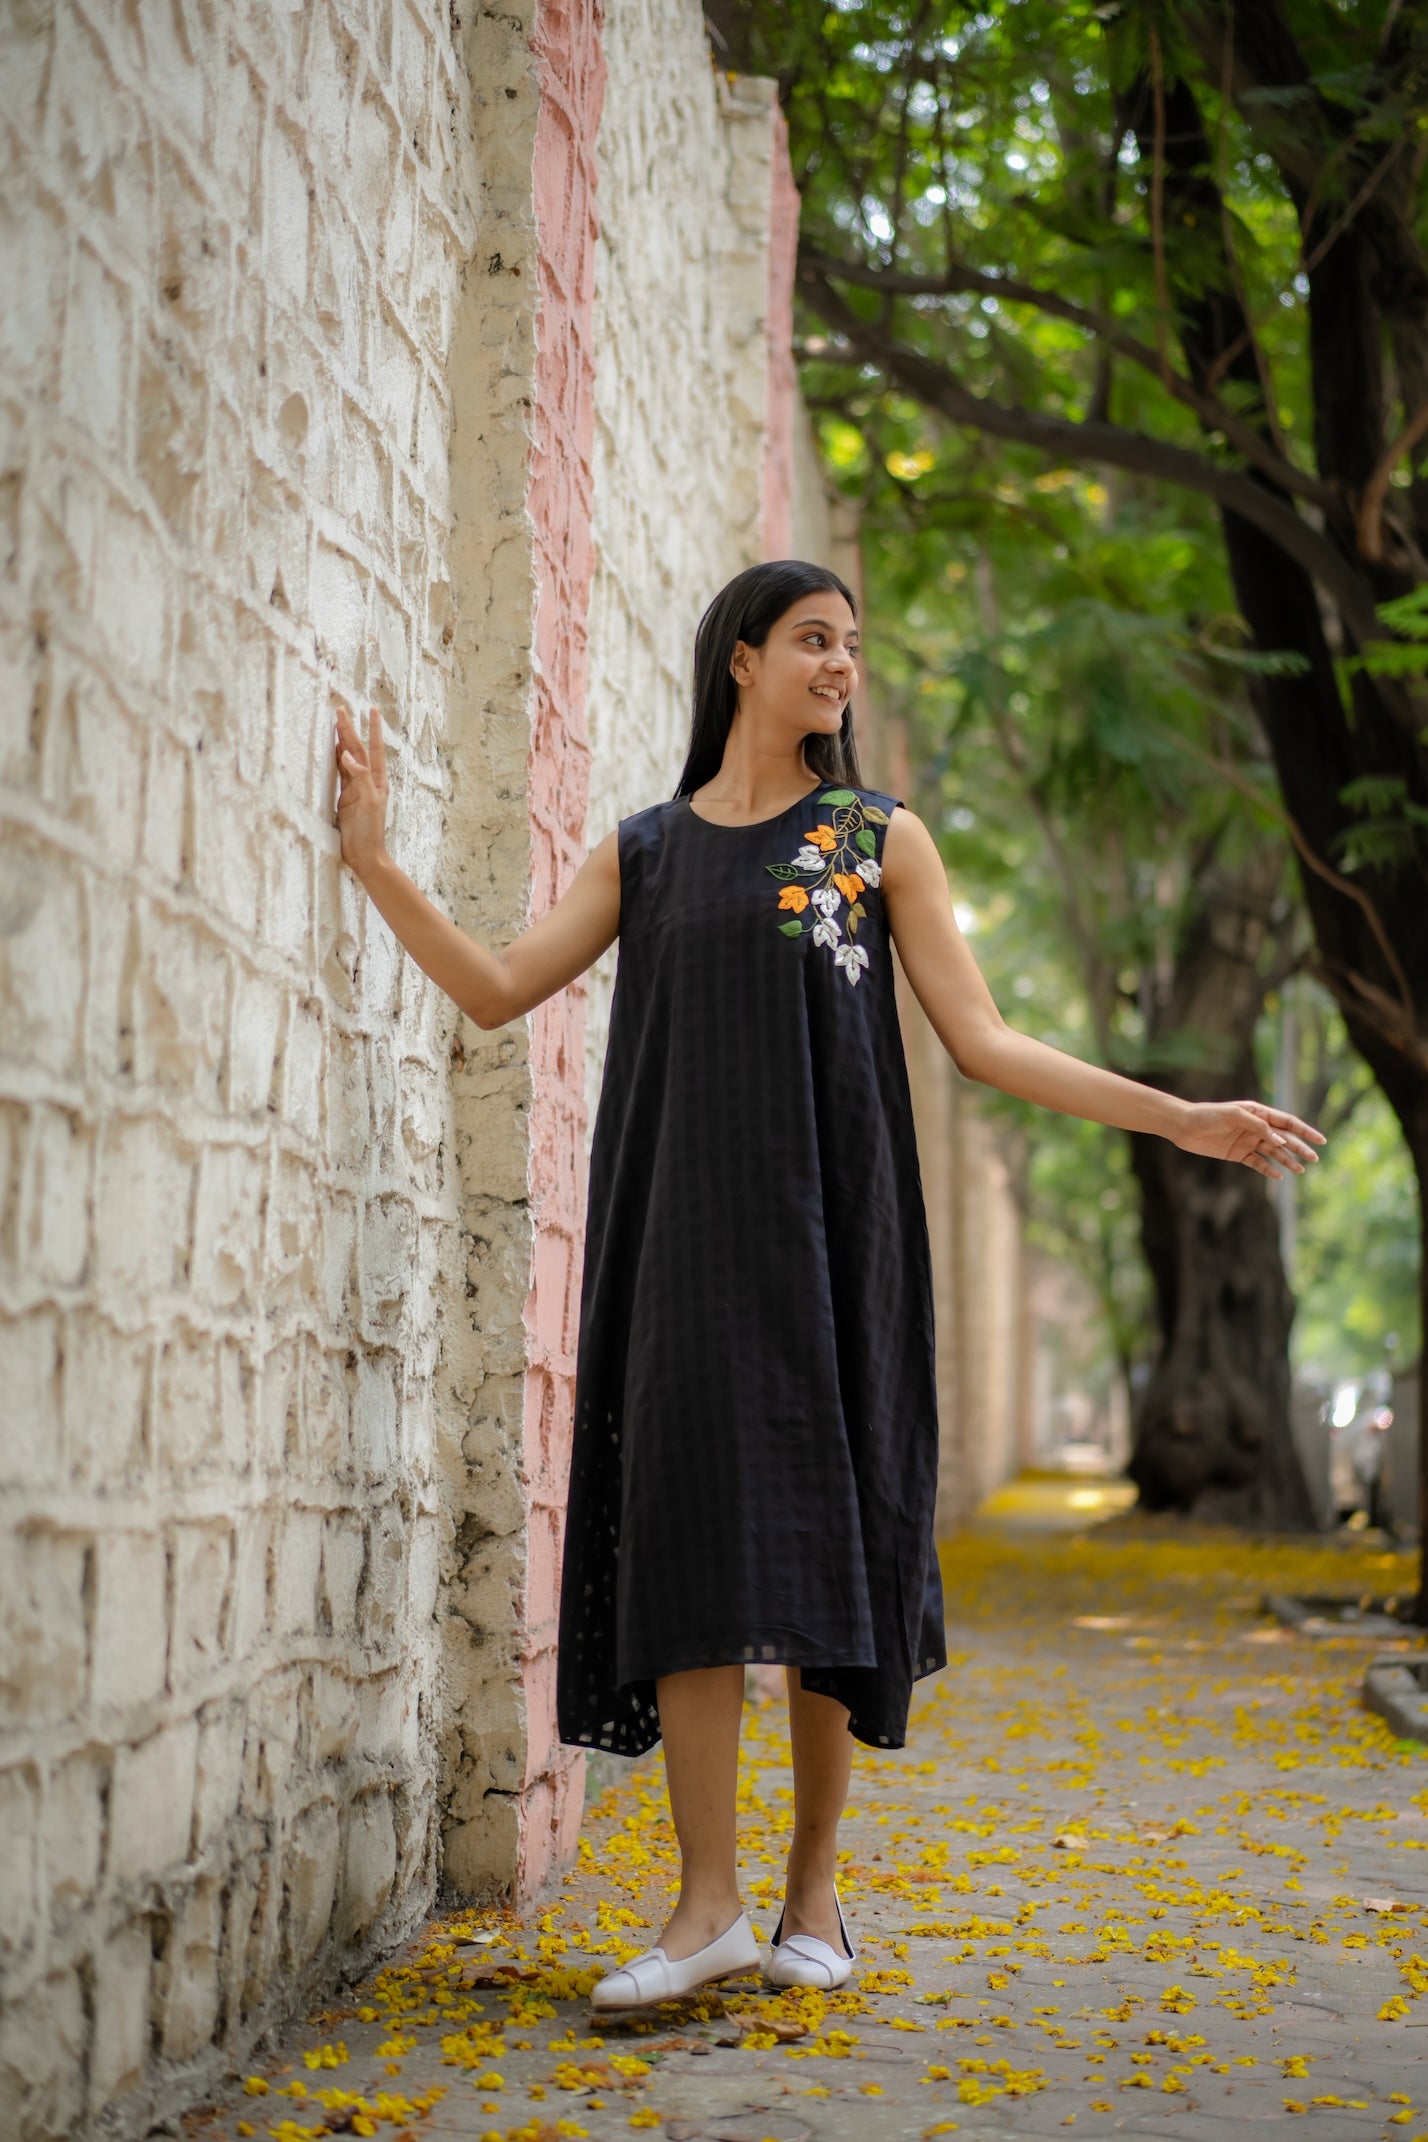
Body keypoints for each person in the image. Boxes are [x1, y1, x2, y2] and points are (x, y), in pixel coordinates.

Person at [334, 558, 1324, 2009]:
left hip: (832, 1239)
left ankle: (813, 1899)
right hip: (680, 1246)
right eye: (814, 639)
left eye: (852, 644)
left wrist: (1181, 1116)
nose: (841, 664)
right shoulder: (649, 851)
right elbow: (495, 986)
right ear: (741, 658)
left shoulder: (876, 840)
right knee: (687, 1550)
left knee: (819, 1556)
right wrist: (369, 861)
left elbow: (984, 1040)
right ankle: (704, 1908)